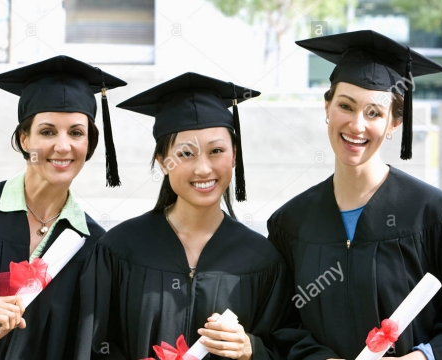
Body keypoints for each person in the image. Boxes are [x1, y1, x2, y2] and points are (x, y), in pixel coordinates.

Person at [267, 30, 442, 360]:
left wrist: (424, 357)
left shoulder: (438, 218)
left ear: (394, 123)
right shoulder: (291, 224)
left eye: (374, 112)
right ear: (327, 107)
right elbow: (278, 324)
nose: (357, 125)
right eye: (345, 105)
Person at [0, 55, 126, 360]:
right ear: (24, 138)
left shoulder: (97, 248)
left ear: (90, 144)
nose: (63, 146)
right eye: (47, 131)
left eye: (76, 132)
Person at [76, 72, 289, 360]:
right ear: (164, 162)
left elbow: (285, 346)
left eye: (216, 151)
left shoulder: (262, 260)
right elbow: (93, 346)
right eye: (186, 154)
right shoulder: (120, 249)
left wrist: (253, 349)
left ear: (234, 156)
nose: (203, 168)